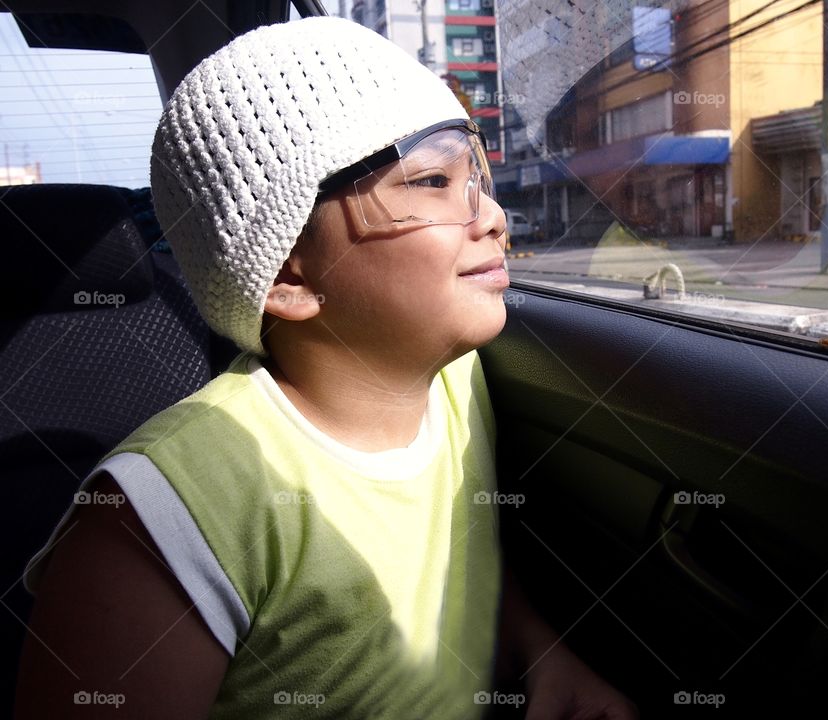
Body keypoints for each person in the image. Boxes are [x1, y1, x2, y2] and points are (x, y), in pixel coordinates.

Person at [14, 17, 638, 720]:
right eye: (432, 179)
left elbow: (463, 561)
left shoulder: (452, 380)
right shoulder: (165, 515)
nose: (492, 215)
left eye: (478, 175)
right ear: (288, 277)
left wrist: (541, 650)